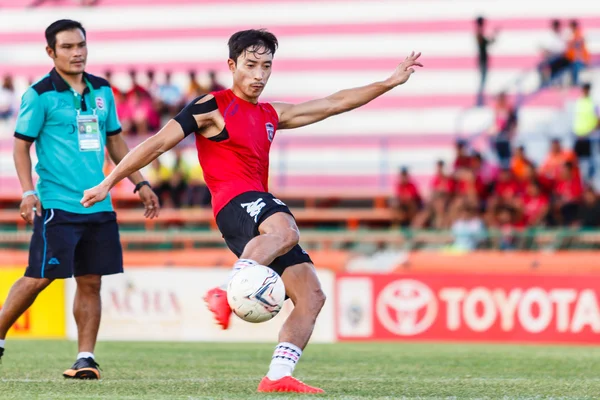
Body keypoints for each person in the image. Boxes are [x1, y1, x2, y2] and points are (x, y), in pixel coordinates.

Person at [80, 29, 422, 393]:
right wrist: (109, 182)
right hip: (235, 203)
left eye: (266, 66)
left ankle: (277, 375)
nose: (259, 75)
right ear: (232, 65)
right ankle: (227, 289)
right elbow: (157, 143)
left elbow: (334, 102)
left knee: (312, 296)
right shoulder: (211, 106)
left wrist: (389, 82)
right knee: (287, 230)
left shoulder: (272, 113)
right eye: (250, 65)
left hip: (254, 217)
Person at [0, 19, 160, 379]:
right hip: (57, 203)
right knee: (40, 277)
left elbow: (116, 142)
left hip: (99, 204)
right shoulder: (39, 94)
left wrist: (140, 182)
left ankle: (85, 358)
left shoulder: (103, 90)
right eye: (68, 47)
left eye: (81, 46)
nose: (77, 53)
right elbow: (21, 147)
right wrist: (28, 191)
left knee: (91, 281)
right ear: (50, 52)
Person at [572, 82, 599, 183]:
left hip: (589, 136)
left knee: (589, 160)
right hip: (578, 134)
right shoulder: (578, 101)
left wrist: (592, 131)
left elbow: (598, 118)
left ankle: (590, 180)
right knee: (576, 159)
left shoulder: (593, 102)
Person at [475, 16, 499, 106]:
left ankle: (481, 100)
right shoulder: (478, 33)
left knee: (484, 80)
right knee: (483, 80)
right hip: (482, 60)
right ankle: (480, 100)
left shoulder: (479, 33)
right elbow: (485, 43)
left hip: (483, 60)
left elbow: (487, 42)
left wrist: (494, 36)